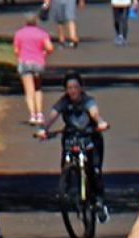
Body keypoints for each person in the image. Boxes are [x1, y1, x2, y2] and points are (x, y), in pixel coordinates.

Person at [36, 72, 111, 223]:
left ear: (81, 88)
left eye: (75, 87)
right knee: (66, 164)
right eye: (69, 87)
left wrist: (100, 122)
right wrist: (43, 129)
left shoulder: (88, 101)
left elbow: (94, 113)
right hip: (72, 138)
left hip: (91, 138)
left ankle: (99, 202)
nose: (73, 90)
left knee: (94, 171)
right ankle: (68, 189)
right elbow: (52, 115)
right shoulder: (63, 102)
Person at [13, 13, 54, 125]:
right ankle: (40, 114)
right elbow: (50, 47)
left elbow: (16, 51)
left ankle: (32, 115)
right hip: (38, 63)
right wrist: (44, 53)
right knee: (37, 88)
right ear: (36, 21)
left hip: (25, 62)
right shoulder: (42, 33)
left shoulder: (19, 33)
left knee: (29, 90)